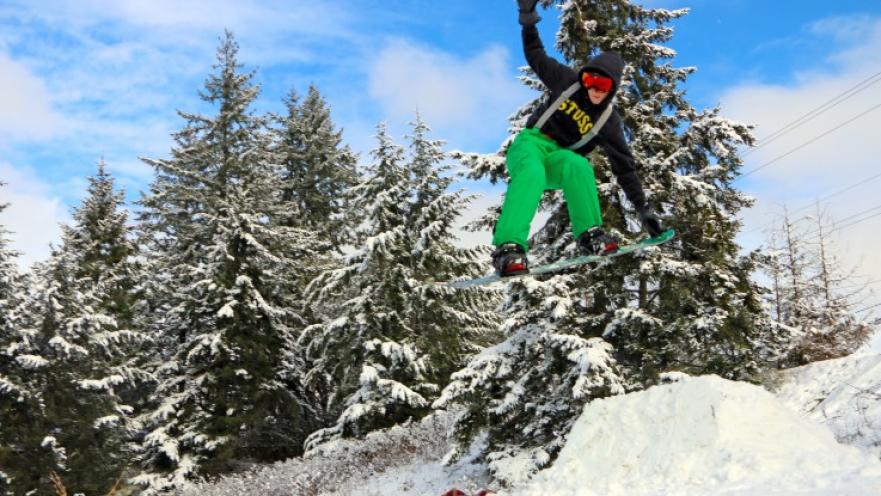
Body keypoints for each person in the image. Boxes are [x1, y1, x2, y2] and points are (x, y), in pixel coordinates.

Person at [491, 0, 664, 277]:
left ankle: (590, 234)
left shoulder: (608, 121)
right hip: (530, 145)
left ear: (612, 89)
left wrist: (643, 210)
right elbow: (535, 55)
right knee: (533, 172)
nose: (595, 89)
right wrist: (527, 18)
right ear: (584, 78)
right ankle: (508, 247)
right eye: (591, 81)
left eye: (603, 85)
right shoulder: (566, 82)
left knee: (578, 165)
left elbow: (624, 167)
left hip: (559, 159)